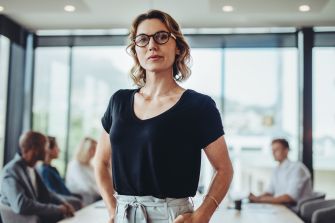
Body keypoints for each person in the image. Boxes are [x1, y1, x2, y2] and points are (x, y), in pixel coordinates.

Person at [95, 9, 233, 223]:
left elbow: (224, 169)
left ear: (177, 47)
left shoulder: (199, 106)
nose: (152, 45)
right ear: (136, 50)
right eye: (142, 39)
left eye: (161, 37)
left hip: (173, 216)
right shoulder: (118, 102)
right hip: (125, 213)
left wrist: (201, 216)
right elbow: (100, 162)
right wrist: (113, 208)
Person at [0, 131, 75, 223]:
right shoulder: (11, 171)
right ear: (34, 149)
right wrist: (57, 209)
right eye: (46, 146)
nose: (48, 151)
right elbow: (21, 205)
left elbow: (47, 192)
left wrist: (63, 203)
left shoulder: (32, 167)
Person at [249, 138, 313, 205]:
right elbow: (270, 191)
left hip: (295, 211)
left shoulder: (297, 168)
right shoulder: (276, 169)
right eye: (272, 150)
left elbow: (289, 198)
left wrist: (259, 200)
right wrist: (256, 197)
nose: (273, 153)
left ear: (286, 151)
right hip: (281, 207)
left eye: (276, 150)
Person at [37, 136, 83, 209]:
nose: (59, 150)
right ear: (49, 149)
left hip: (67, 198)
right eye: (56, 147)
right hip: (61, 201)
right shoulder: (45, 171)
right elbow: (54, 193)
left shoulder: (53, 169)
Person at [66, 137, 101, 206]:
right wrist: (103, 192)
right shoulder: (75, 165)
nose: (95, 152)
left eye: (96, 149)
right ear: (85, 149)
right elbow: (86, 187)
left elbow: (97, 184)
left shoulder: (90, 166)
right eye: (92, 148)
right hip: (81, 203)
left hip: (93, 201)